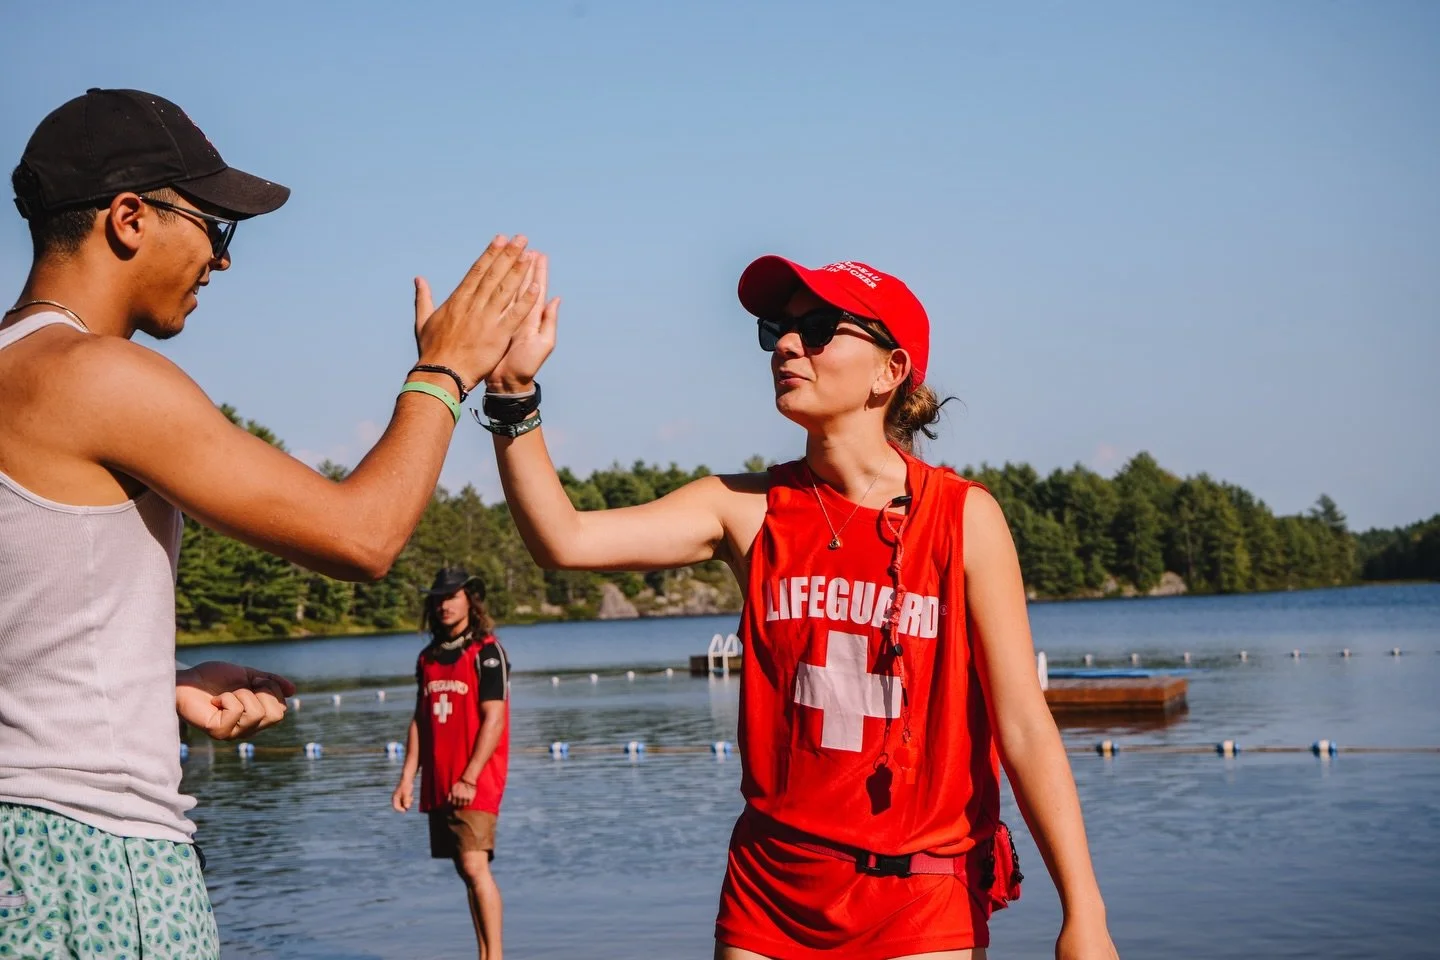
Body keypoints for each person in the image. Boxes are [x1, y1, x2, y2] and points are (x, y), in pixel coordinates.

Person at [0, 88, 542, 959]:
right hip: (97, 860)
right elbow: (362, 536)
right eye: (215, 228)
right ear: (130, 217)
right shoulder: (96, 375)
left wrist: (155, 691)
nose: (221, 262)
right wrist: (445, 367)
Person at [476, 255, 1120, 959]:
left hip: (921, 898)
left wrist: (1083, 912)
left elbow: (1024, 727)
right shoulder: (744, 510)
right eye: (776, 331)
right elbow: (562, 539)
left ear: (889, 369)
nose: (786, 345)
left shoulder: (966, 519)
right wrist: (513, 394)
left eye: (816, 329)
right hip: (769, 897)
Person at [391, 566, 512, 960]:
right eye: (438, 598)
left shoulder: (487, 652)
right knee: (465, 870)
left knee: (476, 867)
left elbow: (494, 719)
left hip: (474, 782)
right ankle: (484, 954)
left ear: (469, 600)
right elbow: (420, 720)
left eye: (452, 596)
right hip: (440, 781)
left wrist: (470, 778)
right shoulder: (427, 658)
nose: (444, 604)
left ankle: (494, 956)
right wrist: (407, 777)